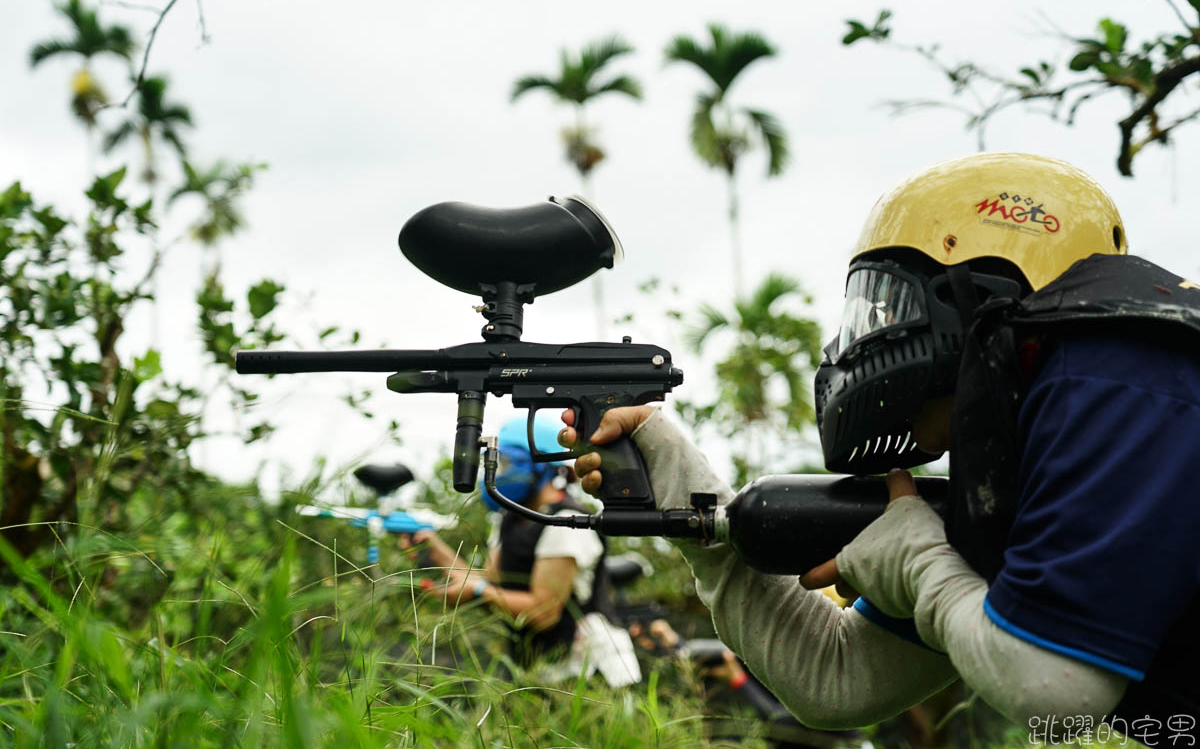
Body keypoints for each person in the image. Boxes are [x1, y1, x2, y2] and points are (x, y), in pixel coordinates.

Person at [560, 153, 1200, 731]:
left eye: (891, 297)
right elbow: (835, 679)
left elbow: (1055, 687)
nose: (868, 335)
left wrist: (921, 563)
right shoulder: (1037, 449)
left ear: (981, 287)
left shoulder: (1116, 364)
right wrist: (675, 471)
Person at [411, 415, 609, 667]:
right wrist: (434, 548)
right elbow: (490, 582)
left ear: (542, 466)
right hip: (538, 666)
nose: (500, 471)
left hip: (583, 671)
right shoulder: (512, 520)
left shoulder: (566, 523)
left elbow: (543, 612)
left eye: (509, 463)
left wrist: (478, 591)